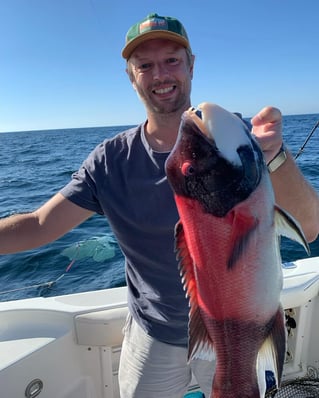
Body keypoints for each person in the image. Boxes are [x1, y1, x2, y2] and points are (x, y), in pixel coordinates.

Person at [1, 13, 319, 398]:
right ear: (131, 76)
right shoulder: (110, 160)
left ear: (191, 65)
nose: (160, 74)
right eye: (145, 65)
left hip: (241, 333)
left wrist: (276, 157)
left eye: (171, 60)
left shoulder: (241, 143)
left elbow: (310, 226)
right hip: (151, 332)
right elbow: (38, 225)